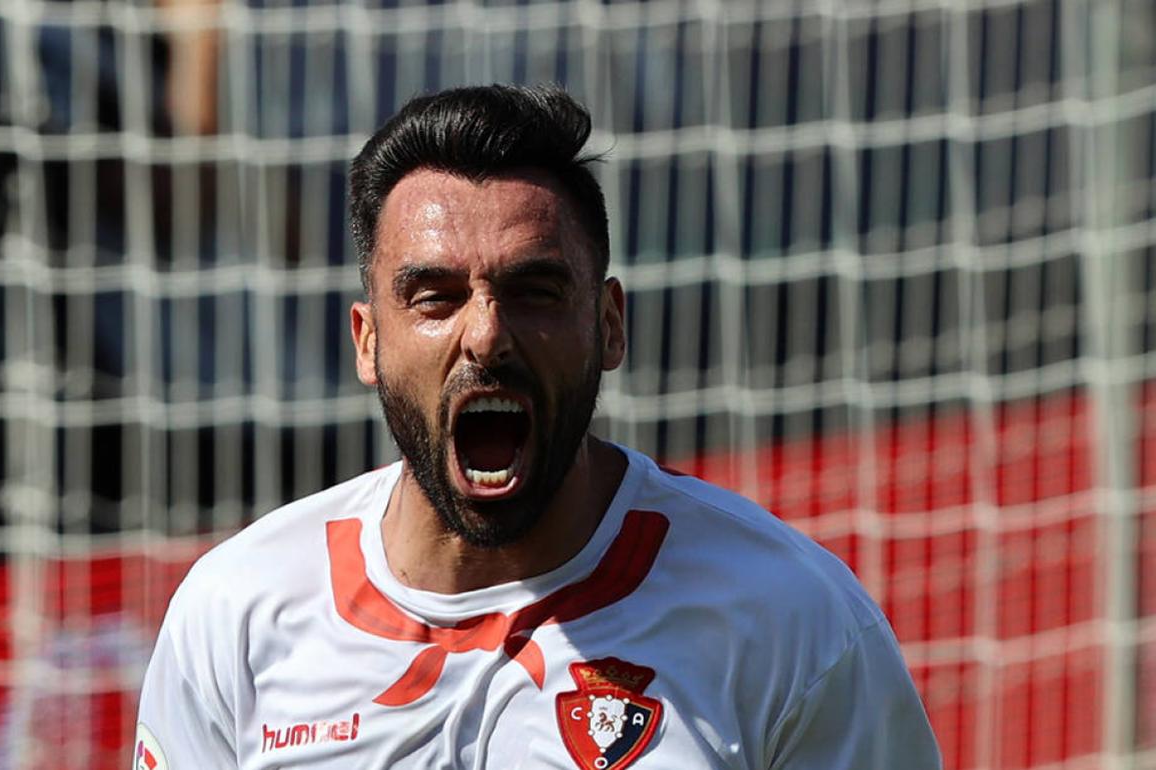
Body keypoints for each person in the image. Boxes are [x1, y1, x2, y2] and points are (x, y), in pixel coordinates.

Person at [133, 84, 942, 770]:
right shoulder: (237, 613)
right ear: (368, 340)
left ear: (611, 325)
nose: (485, 334)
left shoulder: (787, 615)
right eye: (435, 297)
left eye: (535, 290)